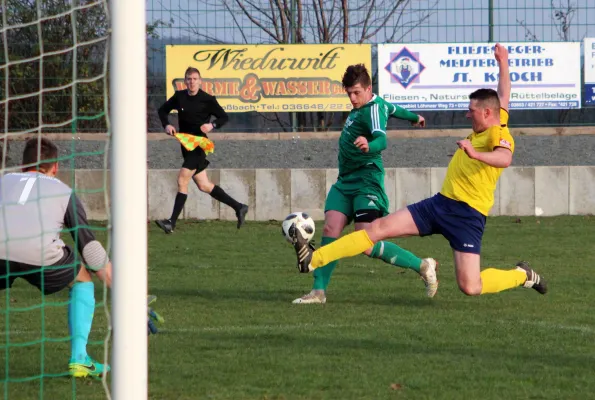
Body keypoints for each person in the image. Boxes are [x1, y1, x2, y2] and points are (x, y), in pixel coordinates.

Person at [290, 44, 548, 297]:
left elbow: (504, 158)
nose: (468, 116)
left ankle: (522, 275)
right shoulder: (497, 114)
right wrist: (503, 61)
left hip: (468, 216)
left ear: (487, 112)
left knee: (471, 286)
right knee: (374, 229)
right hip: (440, 204)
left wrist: (474, 153)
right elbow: (504, 93)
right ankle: (315, 258)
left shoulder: (500, 133)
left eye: (472, 111)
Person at [292, 63, 438, 305]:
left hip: (367, 181)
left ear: (369, 89)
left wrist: (370, 145)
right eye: (349, 92)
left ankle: (422, 265)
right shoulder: (376, 102)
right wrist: (415, 117)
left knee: (366, 243)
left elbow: (382, 138)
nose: (352, 98)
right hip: (345, 181)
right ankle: (318, 292)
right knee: (330, 229)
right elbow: (393, 109)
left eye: (357, 92)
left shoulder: (372, 110)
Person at [0, 137, 113, 378]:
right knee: (82, 278)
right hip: (40, 254)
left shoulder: (3, 180)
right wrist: (126, 295)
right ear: (56, 167)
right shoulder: (64, 191)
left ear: (23, 166)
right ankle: (80, 359)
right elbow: (90, 249)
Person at [155, 67, 248, 233]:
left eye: (195, 79)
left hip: (199, 146)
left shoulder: (207, 99)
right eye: (189, 79)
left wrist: (212, 125)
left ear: (200, 81)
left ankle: (171, 223)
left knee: (182, 179)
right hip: (186, 145)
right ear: (185, 81)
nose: (192, 82)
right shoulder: (179, 96)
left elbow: (223, 117)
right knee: (204, 185)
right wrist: (167, 124)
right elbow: (162, 110)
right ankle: (239, 207)